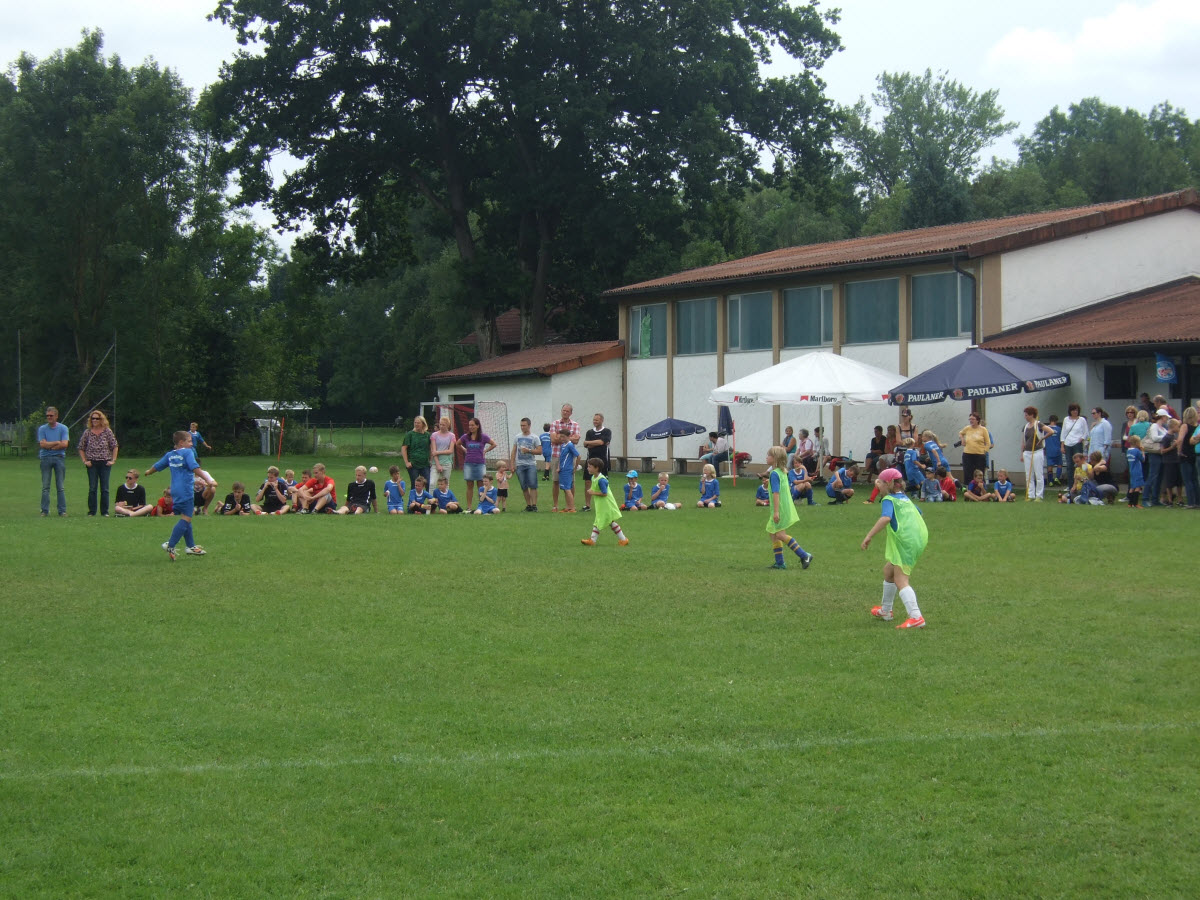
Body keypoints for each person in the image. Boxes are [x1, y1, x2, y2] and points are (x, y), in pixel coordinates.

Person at [862, 467, 928, 629]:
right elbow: (919, 513)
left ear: (888, 484)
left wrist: (869, 536)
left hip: (905, 542)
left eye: (880, 484)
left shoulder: (889, 500)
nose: (878, 487)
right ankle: (886, 611)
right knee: (888, 571)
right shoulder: (904, 498)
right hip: (916, 539)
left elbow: (886, 518)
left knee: (901, 580)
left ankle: (916, 617)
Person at [145, 431, 211, 560]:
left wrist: (148, 472)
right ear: (181, 443)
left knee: (186, 516)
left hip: (175, 490)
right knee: (186, 518)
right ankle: (170, 544)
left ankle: (190, 546)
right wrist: (208, 480)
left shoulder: (170, 455)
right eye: (189, 441)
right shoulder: (188, 452)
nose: (192, 444)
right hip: (185, 490)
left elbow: (157, 466)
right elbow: (195, 468)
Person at [764, 445, 813, 571]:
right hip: (783, 508)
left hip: (780, 509)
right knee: (772, 533)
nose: (766, 457)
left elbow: (776, 493)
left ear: (775, 458)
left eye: (769, 455)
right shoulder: (782, 472)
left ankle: (804, 555)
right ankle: (780, 563)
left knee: (780, 535)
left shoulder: (774, 474)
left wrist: (776, 512)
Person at [76, 409, 119, 517]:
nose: (94, 420)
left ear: (101, 419)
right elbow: (81, 447)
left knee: (105, 488)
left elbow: (114, 446)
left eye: (97, 418)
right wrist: (85, 461)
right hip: (92, 463)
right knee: (92, 488)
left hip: (105, 462)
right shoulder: (87, 432)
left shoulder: (107, 431)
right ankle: (92, 511)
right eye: (93, 418)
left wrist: (113, 460)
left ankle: (104, 511)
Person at [580, 457, 629, 546]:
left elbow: (604, 493)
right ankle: (623, 539)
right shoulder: (593, 477)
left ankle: (593, 540)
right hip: (601, 504)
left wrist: (593, 492)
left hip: (606, 504)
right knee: (606, 521)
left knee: (602, 521)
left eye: (590, 466)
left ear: (596, 468)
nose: (587, 468)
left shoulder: (601, 480)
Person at [457, 417, 495, 512]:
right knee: (469, 485)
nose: (471, 427)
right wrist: (464, 449)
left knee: (481, 486)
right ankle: (469, 507)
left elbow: (494, 444)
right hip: (468, 464)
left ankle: (481, 506)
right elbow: (457, 443)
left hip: (480, 464)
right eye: (469, 425)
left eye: (473, 425)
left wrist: (485, 451)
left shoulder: (483, 437)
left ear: (478, 426)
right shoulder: (466, 437)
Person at [38, 406, 70, 517]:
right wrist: (57, 442)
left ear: (56, 416)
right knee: (45, 486)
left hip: (59, 458)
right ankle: (44, 511)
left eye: (51, 415)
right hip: (45, 458)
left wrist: (50, 445)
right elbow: (42, 444)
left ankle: (62, 511)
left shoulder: (63, 428)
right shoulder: (42, 429)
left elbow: (65, 444)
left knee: (60, 486)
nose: (49, 417)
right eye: (47, 416)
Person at [548, 403, 581, 510]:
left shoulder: (575, 425)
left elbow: (577, 440)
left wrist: (561, 437)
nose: (565, 412)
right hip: (556, 455)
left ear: (571, 413)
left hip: (570, 458)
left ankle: (570, 506)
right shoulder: (555, 423)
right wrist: (569, 438)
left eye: (567, 411)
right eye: (563, 410)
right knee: (556, 481)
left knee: (571, 482)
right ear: (561, 411)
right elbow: (553, 439)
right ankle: (555, 505)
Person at [1020, 406, 1056, 501]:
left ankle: (1039, 495)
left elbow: (1051, 431)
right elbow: (1023, 441)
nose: (1025, 417)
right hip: (1027, 452)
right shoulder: (1025, 426)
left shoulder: (1039, 424)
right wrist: (1022, 453)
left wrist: (1042, 438)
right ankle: (1030, 495)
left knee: (1038, 474)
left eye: (1026, 415)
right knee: (1028, 475)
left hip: (1037, 452)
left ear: (1032, 415)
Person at [581, 412, 611, 511]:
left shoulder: (607, 431)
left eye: (597, 420)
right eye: (594, 420)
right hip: (590, 460)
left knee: (603, 482)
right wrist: (596, 443)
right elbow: (586, 444)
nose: (595, 421)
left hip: (602, 461)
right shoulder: (589, 432)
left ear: (602, 420)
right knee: (588, 481)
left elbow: (602, 442)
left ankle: (606, 504)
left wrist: (592, 443)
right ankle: (587, 505)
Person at [510, 417, 541, 512]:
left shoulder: (534, 437)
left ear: (529, 426)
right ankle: (529, 505)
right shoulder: (517, 437)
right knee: (524, 486)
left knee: (533, 485)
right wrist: (512, 464)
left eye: (524, 425)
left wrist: (529, 451)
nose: (522, 427)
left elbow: (540, 451)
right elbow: (514, 451)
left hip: (531, 464)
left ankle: (534, 505)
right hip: (520, 464)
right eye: (521, 425)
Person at [957, 411, 993, 487]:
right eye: (970, 419)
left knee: (979, 472)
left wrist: (984, 451)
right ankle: (969, 488)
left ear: (977, 420)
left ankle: (980, 488)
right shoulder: (967, 428)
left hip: (979, 454)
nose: (971, 421)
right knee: (968, 472)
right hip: (967, 454)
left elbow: (988, 443)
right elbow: (960, 433)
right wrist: (962, 439)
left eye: (973, 419)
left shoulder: (983, 429)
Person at [1143, 409, 1170, 507]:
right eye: (1166, 417)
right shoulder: (1154, 426)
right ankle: (1145, 498)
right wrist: (1166, 437)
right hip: (1154, 453)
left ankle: (1155, 499)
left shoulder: (1163, 428)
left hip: (1161, 454)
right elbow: (1154, 438)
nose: (1167, 419)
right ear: (1162, 417)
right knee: (1152, 475)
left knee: (1159, 477)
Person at [1059, 403, 1089, 488]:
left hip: (1077, 443)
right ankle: (1071, 485)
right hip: (1068, 443)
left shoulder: (1082, 420)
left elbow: (1086, 432)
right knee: (1069, 465)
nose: (1075, 412)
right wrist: (1062, 445)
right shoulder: (1066, 419)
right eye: (1073, 410)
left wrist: (1081, 439)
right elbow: (1063, 433)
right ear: (1070, 411)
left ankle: (1082, 483)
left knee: (1080, 463)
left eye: (1076, 410)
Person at [1175, 406, 1198, 508]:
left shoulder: (1185, 426)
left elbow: (1180, 440)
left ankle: (1191, 502)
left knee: (1187, 479)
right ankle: (1197, 501)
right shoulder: (1197, 426)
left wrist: (1179, 451)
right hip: (1194, 453)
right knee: (1194, 479)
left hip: (1185, 454)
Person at [401, 416, 432, 490]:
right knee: (415, 484)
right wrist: (407, 462)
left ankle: (429, 497)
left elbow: (431, 448)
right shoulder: (410, 434)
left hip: (425, 464)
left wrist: (431, 460)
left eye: (418, 423)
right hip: (413, 464)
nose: (416, 424)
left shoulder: (427, 435)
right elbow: (404, 448)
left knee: (428, 483)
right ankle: (413, 498)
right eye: (415, 422)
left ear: (423, 424)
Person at [430, 417, 457, 489]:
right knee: (432, 483)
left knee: (446, 485)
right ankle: (431, 496)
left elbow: (450, 451)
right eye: (440, 424)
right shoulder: (434, 435)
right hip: (435, 463)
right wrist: (438, 464)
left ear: (448, 425)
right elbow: (433, 451)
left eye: (443, 425)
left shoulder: (452, 436)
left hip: (447, 463)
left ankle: (445, 496)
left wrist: (438, 452)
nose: (441, 426)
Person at [556, 434, 580, 512]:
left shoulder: (570, 445)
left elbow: (578, 456)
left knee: (567, 488)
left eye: (563, 436)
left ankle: (572, 508)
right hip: (562, 469)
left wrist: (575, 468)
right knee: (564, 489)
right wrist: (559, 467)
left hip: (567, 469)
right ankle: (568, 507)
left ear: (568, 436)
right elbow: (561, 457)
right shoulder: (563, 445)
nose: (561, 438)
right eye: (560, 437)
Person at [1125, 437, 1146, 508]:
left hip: (1131, 470)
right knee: (1138, 486)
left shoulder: (1128, 451)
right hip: (1137, 470)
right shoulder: (1137, 451)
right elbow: (1143, 459)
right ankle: (1135, 503)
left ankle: (1130, 503)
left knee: (1132, 486)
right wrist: (1143, 451)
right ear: (1137, 443)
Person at [1043, 414, 1063, 485]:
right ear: (1056, 421)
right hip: (1057, 449)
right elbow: (1061, 439)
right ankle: (1057, 477)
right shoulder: (1059, 429)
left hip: (1049, 449)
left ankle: (1050, 481)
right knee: (1059, 464)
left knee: (1050, 465)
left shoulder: (1046, 429)